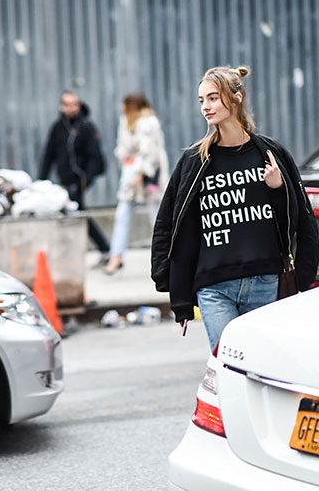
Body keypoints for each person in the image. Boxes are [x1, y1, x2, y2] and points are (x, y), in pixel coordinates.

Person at [151, 65, 318, 351]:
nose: (206, 106)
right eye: (202, 99)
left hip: (265, 281)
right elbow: (169, 222)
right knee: (229, 365)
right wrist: (177, 295)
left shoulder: (270, 153)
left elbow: (300, 221)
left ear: (236, 97)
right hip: (213, 288)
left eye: (214, 98)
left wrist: (278, 189)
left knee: (263, 365)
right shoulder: (195, 160)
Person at [39, 90, 110, 262]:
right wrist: (42, 180)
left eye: (74, 105)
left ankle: (104, 248)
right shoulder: (58, 128)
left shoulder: (86, 127)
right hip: (65, 179)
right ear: (62, 106)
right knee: (75, 212)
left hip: (80, 180)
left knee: (75, 211)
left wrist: (86, 179)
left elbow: (96, 157)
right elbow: (49, 155)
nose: (71, 109)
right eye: (67, 105)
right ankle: (102, 248)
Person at [105, 93, 169, 274]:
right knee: (122, 215)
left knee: (158, 219)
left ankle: (165, 257)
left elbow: (151, 151)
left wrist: (142, 171)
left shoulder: (148, 122)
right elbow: (121, 149)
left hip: (149, 176)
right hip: (131, 175)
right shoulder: (125, 122)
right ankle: (115, 257)